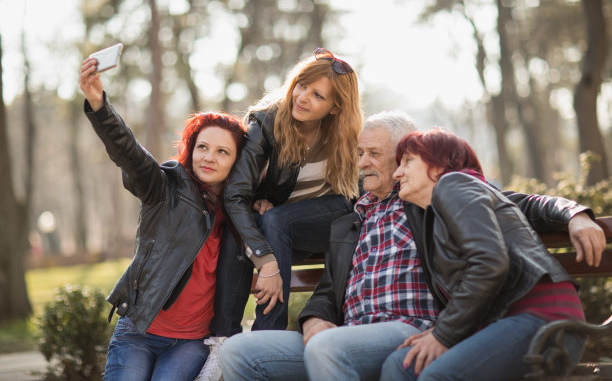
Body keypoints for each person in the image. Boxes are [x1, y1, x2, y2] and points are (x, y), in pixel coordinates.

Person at [218, 113, 605, 381]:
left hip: (408, 326)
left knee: (331, 349)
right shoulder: (349, 220)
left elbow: (518, 205)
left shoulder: (430, 200)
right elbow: (329, 289)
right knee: (238, 352)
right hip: (347, 333)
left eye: (376, 154)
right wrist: (314, 318)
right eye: (359, 153)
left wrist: (574, 214)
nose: (363, 163)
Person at [380, 127, 605, 381]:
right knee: (401, 365)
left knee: (437, 376)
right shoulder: (446, 207)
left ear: (439, 165)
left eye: (408, 161)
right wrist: (441, 330)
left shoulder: (454, 183)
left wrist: (575, 215)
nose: (397, 173)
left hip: (544, 321)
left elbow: (489, 262)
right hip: (504, 323)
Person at [78, 56, 246, 381]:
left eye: (222, 151)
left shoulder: (240, 211)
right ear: (191, 149)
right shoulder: (166, 186)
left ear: (237, 162)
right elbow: (131, 156)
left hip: (191, 341)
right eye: (203, 147)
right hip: (138, 331)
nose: (209, 157)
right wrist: (100, 107)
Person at [211, 47, 362, 335]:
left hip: (329, 223)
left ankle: (268, 336)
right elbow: (235, 194)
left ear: (335, 107)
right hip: (278, 232)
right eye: (302, 85)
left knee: (276, 219)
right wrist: (265, 258)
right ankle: (221, 340)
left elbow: (360, 191)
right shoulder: (267, 123)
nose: (303, 97)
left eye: (318, 95)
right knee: (245, 229)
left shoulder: (346, 134)